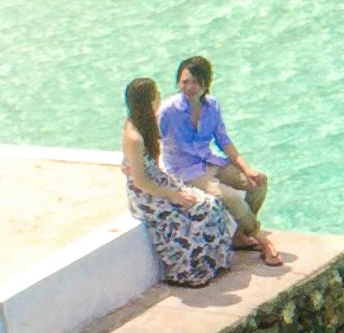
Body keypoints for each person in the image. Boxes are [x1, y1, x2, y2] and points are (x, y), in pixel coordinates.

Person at [157, 55, 282, 265]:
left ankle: (240, 234)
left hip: (209, 162)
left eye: (195, 82)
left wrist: (248, 169)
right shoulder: (168, 111)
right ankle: (262, 241)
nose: (189, 87)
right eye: (184, 81)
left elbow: (224, 141)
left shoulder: (212, 106)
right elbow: (151, 139)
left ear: (206, 83)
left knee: (258, 184)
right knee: (232, 197)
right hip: (186, 171)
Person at [121, 75, 236, 287]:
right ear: (148, 101)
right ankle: (186, 271)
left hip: (158, 182)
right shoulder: (134, 136)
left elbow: (152, 165)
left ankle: (211, 263)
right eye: (155, 94)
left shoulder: (147, 124)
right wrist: (174, 195)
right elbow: (139, 181)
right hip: (147, 194)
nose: (159, 97)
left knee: (211, 205)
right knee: (196, 212)